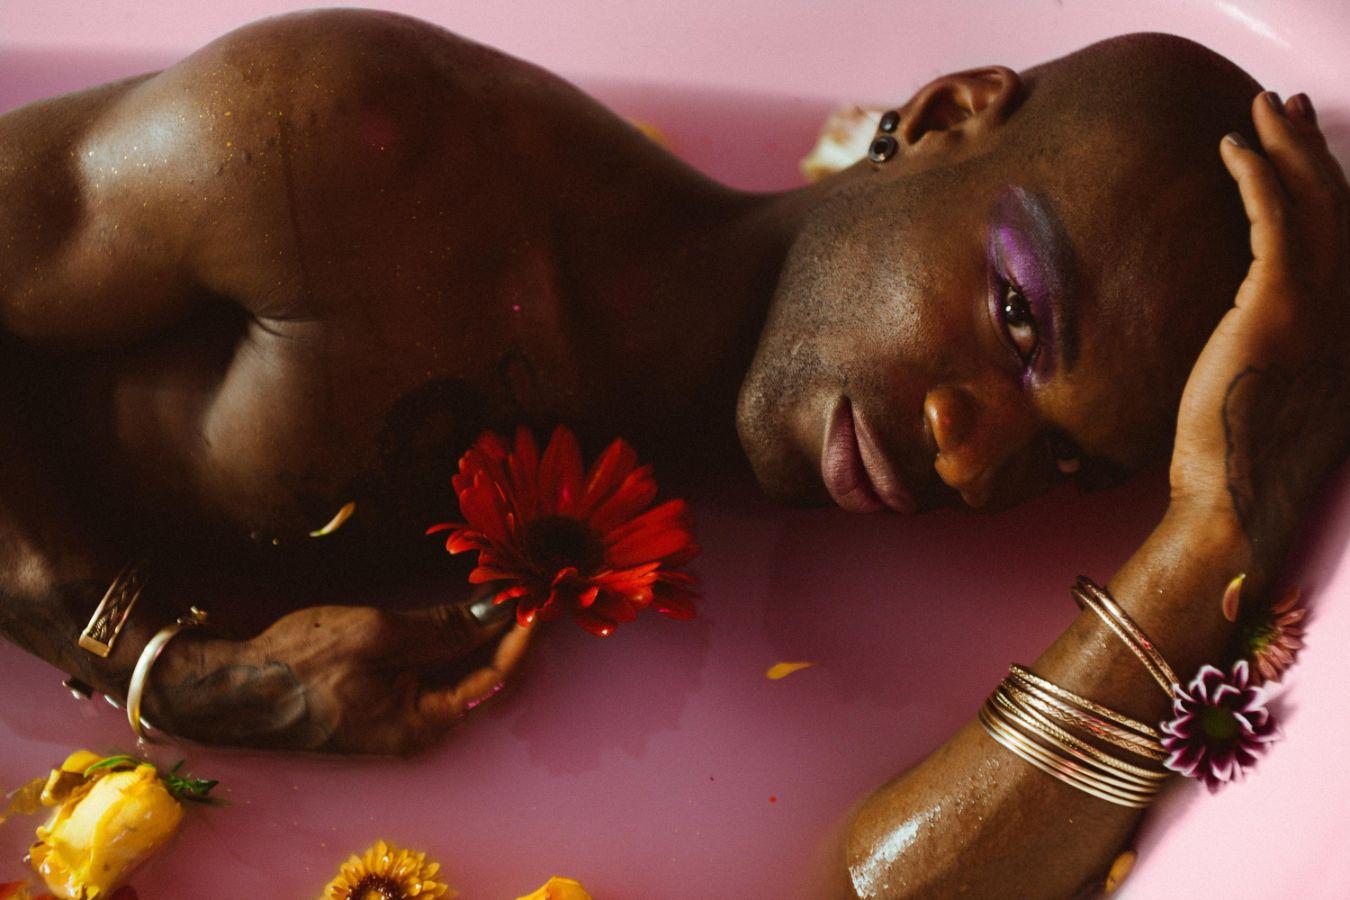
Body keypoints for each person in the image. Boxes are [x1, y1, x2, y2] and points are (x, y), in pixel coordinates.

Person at [0, 9, 1345, 897]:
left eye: (1062, 468)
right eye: (1012, 318)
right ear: (940, 114)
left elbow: (888, 889)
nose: (973, 460)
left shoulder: (812, 563)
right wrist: (156, 666)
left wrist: (1212, 526)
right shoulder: (355, 159)